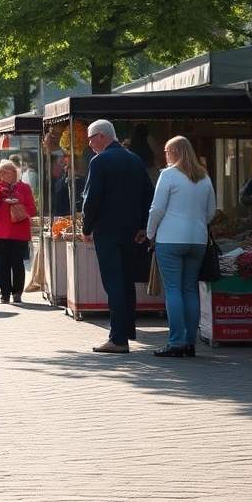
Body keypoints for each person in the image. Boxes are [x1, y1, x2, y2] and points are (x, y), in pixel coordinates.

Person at [82, 119, 155, 354]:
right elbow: (148, 195)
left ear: (102, 136)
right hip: (132, 232)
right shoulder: (134, 159)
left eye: (91, 140)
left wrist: (86, 228)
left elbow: (91, 199)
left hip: (108, 232)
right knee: (126, 281)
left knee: (113, 283)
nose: (90, 145)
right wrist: (144, 226)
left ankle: (118, 338)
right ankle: (127, 330)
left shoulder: (99, 161)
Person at [146, 136, 216, 358]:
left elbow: (156, 209)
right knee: (189, 289)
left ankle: (175, 342)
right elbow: (211, 211)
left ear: (175, 153)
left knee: (173, 290)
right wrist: (197, 225)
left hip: (170, 239)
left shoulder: (168, 176)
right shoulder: (204, 177)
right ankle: (190, 342)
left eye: (167, 151)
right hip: (197, 240)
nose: (164, 156)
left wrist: (150, 233)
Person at [0, 160, 37, 303]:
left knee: (17, 262)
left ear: (14, 173)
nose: (2, 175)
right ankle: (5, 293)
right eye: (0, 172)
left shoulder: (24, 187)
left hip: (19, 230)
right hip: (1, 231)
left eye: (5, 172)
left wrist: (19, 207)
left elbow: (32, 209)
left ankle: (17, 292)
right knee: (3, 262)